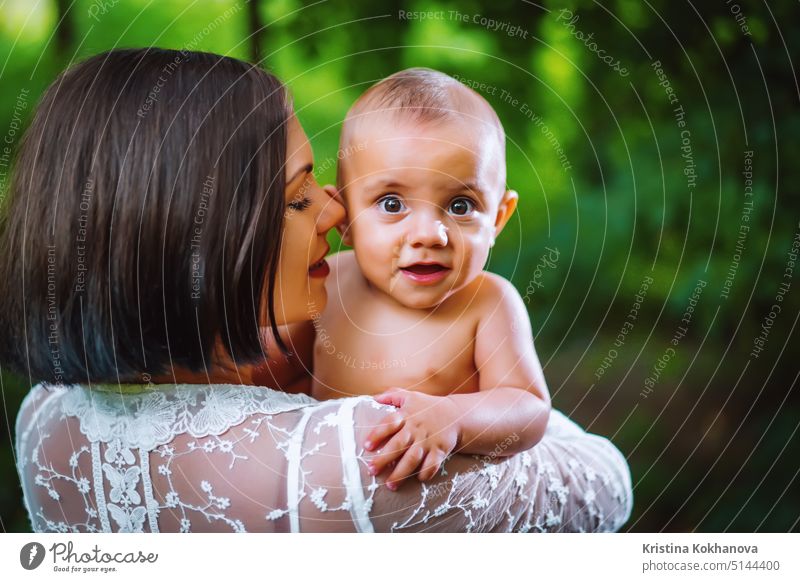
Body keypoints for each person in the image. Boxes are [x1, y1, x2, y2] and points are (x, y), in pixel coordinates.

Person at [4, 48, 633, 532]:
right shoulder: (361, 458)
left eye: (461, 204)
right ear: (201, 238)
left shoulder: (45, 422)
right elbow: (602, 484)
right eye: (301, 194)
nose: (335, 216)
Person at [284, 68, 552, 492]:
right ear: (346, 218)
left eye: (461, 205)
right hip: (329, 498)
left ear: (498, 218)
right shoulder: (327, 283)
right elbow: (286, 377)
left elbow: (529, 408)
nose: (430, 234)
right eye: (392, 203)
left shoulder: (487, 303)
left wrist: (455, 419)